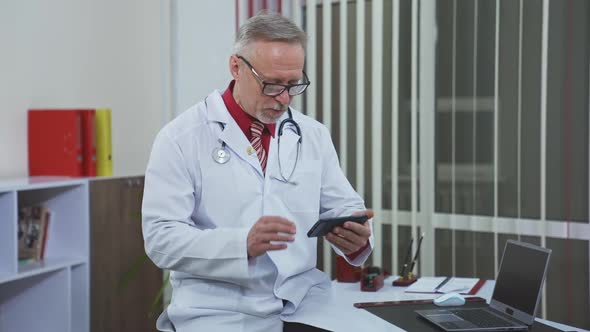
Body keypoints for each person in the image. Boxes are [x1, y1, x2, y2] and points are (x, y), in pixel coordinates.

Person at [142, 12, 374, 332]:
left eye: (293, 85)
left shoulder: (312, 134)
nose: (283, 99)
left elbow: (344, 206)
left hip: (304, 301)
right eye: (272, 84)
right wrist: (241, 244)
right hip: (219, 310)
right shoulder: (181, 138)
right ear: (236, 67)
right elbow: (161, 240)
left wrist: (356, 238)